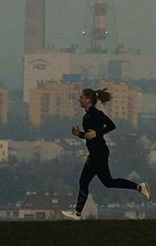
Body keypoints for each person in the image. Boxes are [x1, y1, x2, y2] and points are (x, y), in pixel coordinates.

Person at [63, 87, 150, 220]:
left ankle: (77, 214)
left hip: (99, 153)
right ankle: (139, 187)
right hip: (95, 153)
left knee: (87, 182)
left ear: (87, 99)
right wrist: (79, 134)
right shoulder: (86, 115)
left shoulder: (95, 113)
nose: (79, 100)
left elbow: (111, 125)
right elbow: (89, 136)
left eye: (81, 97)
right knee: (105, 182)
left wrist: (97, 133)